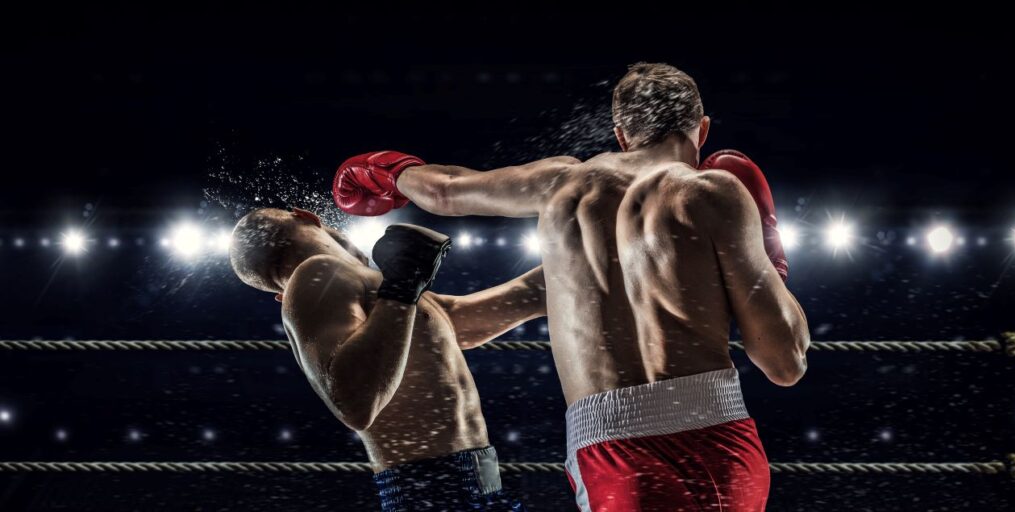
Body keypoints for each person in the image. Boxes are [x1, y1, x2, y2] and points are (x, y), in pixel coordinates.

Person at [332, 62, 811, 511]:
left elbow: (446, 194)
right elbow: (784, 363)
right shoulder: (711, 194)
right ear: (701, 130)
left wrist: (391, 180)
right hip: (709, 442)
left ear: (622, 135)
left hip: (602, 455)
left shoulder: (562, 191)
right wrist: (770, 258)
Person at [229, 207, 545, 511]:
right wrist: (402, 284)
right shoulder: (316, 273)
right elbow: (354, 404)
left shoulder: (381, 294)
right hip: (431, 491)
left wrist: (574, 246)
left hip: (478, 486)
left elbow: (478, 317)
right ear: (307, 215)